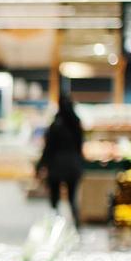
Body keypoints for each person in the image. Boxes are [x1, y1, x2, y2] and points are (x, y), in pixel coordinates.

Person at [36, 96, 84, 224]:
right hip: (73, 166)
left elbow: (48, 148)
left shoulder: (56, 125)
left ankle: (55, 225)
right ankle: (76, 225)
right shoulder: (76, 124)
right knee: (72, 199)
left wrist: (41, 165)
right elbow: (80, 146)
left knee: (54, 199)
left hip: (56, 166)